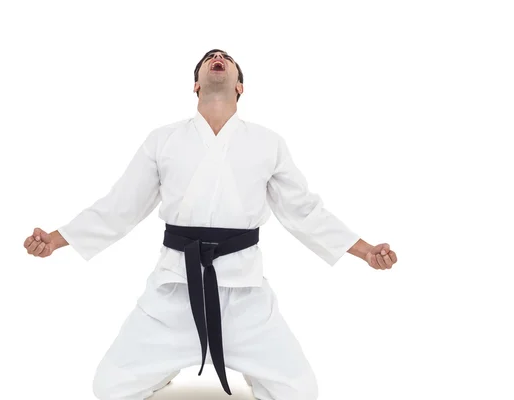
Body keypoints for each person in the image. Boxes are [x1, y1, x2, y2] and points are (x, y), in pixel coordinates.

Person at [23, 49, 398, 400]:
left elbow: (304, 210)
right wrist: (57, 240)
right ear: (196, 85)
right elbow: (122, 205)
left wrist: (365, 251)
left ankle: (254, 365)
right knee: (109, 387)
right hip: (174, 289)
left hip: (245, 293)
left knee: (301, 392)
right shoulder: (163, 139)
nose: (217, 58)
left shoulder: (268, 142)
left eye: (226, 58)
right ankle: (162, 363)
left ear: (239, 86)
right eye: (209, 58)